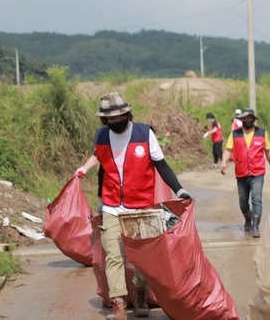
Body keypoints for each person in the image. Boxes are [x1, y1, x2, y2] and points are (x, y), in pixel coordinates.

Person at [75, 92, 194, 320]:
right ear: (104, 120)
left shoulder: (144, 133)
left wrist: (179, 190)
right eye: (110, 119)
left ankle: (140, 294)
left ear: (127, 113)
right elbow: (101, 163)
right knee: (114, 254)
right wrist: (90, 180)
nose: (115, 121)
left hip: (141, 206)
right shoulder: (101, 136)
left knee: (142, 258)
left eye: (119, 116)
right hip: (112, 207)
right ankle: (118, 304)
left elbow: (161, 165)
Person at [221, 106, 270, 238]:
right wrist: (223, 163)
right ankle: (247, 218)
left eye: (250, 118)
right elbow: (228, 150)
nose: (247, 120)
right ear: (242, 120)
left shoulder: (262, 133)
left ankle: (255, 227)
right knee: (243, 202)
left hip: (257, 173)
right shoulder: (235, 134)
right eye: (245, 118)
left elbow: (268, 151)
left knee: (257, 200)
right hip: (241, 173)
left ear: (254, 119)